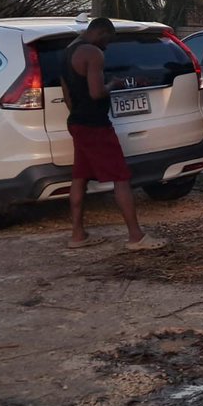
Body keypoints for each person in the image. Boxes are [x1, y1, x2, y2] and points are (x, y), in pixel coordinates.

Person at [61, 17, 166, 251]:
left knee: (79, 177)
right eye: (108, 40)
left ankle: (78, 235)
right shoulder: (93, 53)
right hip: (95, 125)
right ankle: (135, 236)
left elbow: (67, 92)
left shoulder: (68, 52)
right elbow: (97, 92)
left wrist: (78, 114)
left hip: (77, 122)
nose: (107, 45)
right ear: (101, 33)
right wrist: (114, 84)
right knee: (120, 177)